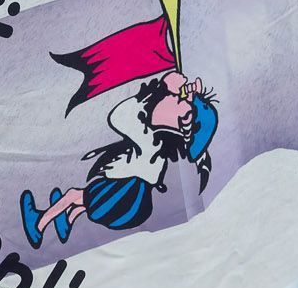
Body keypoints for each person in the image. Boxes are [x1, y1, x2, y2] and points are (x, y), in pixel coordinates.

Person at [20, 71, 218, 247]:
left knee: (75, 195)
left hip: (124, 191)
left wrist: (162, 87)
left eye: (176, 100)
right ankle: (67, 220)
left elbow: (120, 116)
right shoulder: (160, 145)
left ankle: (39, 223)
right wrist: (182, 94)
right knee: (87, 202)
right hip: (132, 194)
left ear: (182, 122)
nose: (171, 97)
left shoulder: (150, 140)